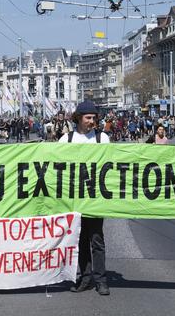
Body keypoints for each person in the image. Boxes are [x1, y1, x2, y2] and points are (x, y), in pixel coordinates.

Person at [59, 101, 110, 296]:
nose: (92, 121)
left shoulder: (101, 138)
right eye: (88, 118)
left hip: (95, 199)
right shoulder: (67, 139)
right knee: (80, 241)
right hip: (74, 200)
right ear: (78, 118)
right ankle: (85, 277)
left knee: (97, 239)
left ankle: (101, 280)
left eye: (94, 118)